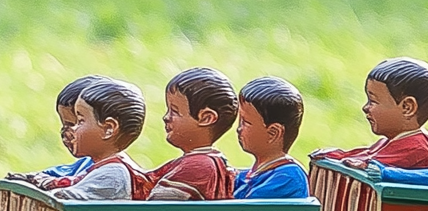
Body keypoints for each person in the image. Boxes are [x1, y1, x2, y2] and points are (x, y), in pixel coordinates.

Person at [311, 58, 428, 170]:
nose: (365, 108)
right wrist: (337, 155)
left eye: (373, 101)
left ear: (407, 107)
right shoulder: (389, 141)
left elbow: (373, 164)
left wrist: (348, 161)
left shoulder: (418, 147)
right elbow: (367, 153)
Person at [32, 78, 151, 201]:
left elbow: (68, 198)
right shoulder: (97, 166)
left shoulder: (114, 173)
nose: (71, 132)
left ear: (109, 129)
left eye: (79, 122)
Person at [147, 68, 238, 200]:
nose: (166, 117)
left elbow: (157, 204)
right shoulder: (208, 161)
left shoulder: (199, 165)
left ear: (206, 118)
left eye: (175, 111)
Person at [5, 75, 108, 189]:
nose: (67, 135)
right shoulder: (86, 163)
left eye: (76, 125)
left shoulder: (111, 170)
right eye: (65, 126)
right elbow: (59, 173)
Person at [233, 76, 309, 199]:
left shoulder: (288, 176)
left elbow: (245, 205)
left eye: (246, 122)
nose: (239, 128)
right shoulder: (258, 172)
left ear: (273, 133)